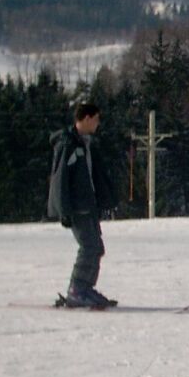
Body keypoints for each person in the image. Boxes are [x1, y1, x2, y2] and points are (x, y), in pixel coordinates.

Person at [48, 101, 118, 308]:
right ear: (86, 118)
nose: (98, 124)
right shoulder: (68, 144)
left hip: (89, 205)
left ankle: (85, 287)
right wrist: (64, 210)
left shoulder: (85, 144)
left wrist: (106, 200)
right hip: (77, 207)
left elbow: (95, 175)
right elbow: (60, 178)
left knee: (96, 248)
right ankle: (77, 290)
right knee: (89, 247)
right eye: (96, 119)